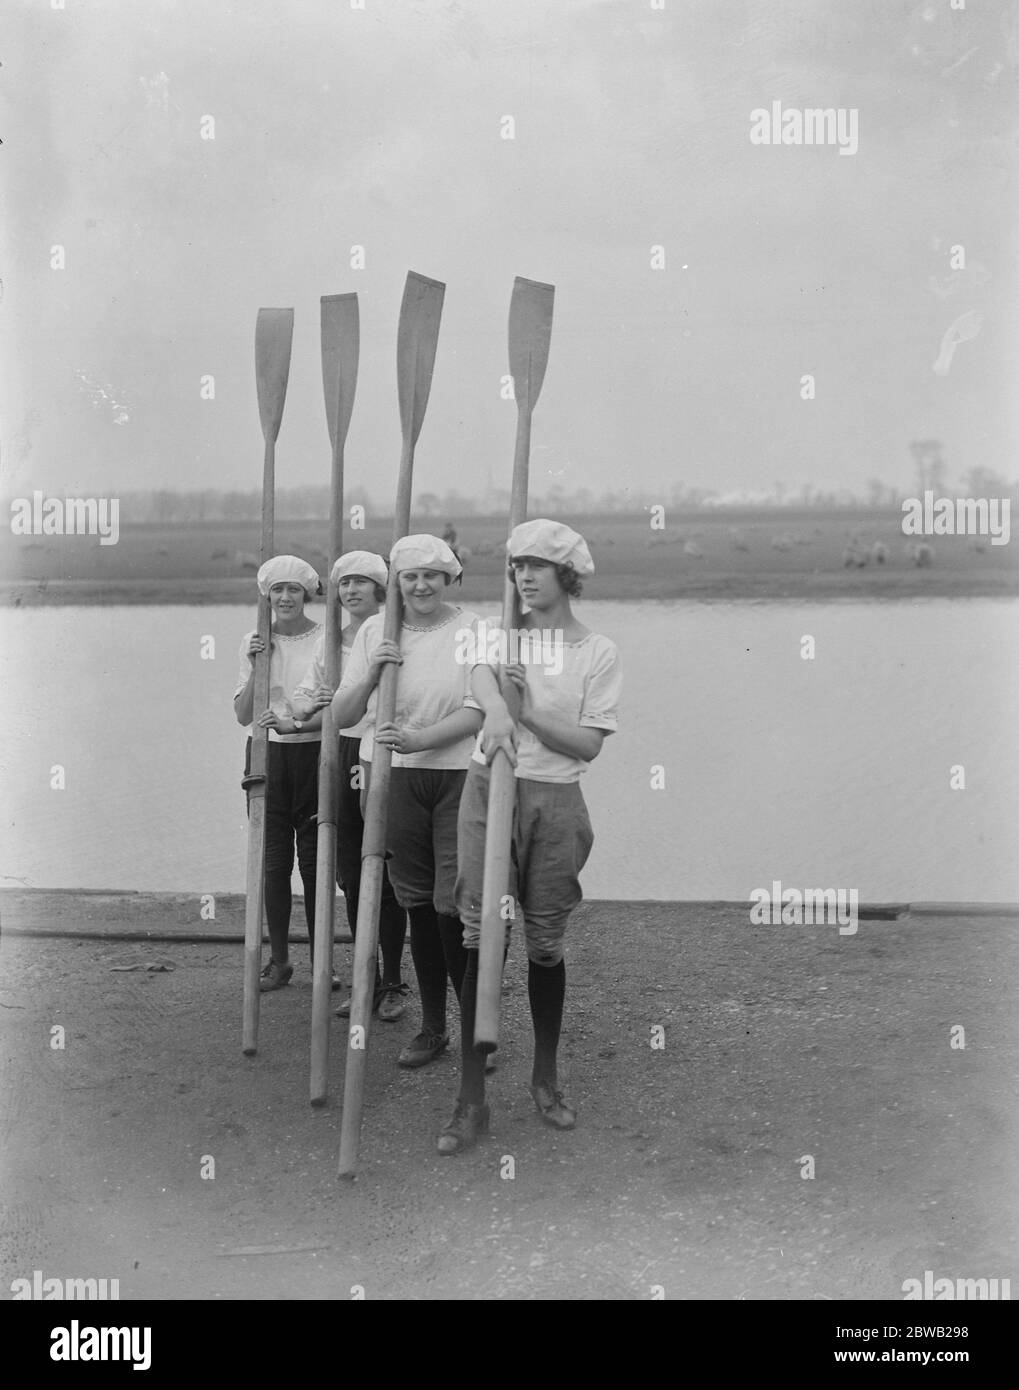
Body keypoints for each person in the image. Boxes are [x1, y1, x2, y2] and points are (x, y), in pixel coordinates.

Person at [436, 519, 622, 1154]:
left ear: (566, 575)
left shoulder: (596, 652)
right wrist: (494, 707)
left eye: (537, 567)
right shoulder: (499, 636)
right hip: (490, 791)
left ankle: (544, 1078)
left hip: (555, 801)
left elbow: (589, 745)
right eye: (517, 567)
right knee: (480, 934)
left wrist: (530, 715)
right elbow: (481, 679)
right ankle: (470, 1100)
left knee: (544, 942)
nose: (524, 577)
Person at [331, 535, 483, 1068]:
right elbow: (344, 716)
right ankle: (434, 1026)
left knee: (454, 905)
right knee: (416, 900)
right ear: (395, 583)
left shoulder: (475, 630)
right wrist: (374, 670)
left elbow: (478, 709)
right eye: (410, 576)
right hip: (389, 775)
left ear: (450, 580)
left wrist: (419, 740)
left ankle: (476, 1032)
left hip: (456, 773)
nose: (421, 586)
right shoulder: (377, 629)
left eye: (432, 576)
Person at [292, 551, 409, 1020]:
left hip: (383, 750)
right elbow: (302, 702)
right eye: (344, 584)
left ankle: (396, 981)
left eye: (362, 582)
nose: (351, 591)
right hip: (339, 752)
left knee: (385, 867)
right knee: (350, 871)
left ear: (382, 589)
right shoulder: (330, 643)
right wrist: (310, 704)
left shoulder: (394, 632)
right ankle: (368, 979)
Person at [234, 555, 323, 992]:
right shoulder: (256, 640)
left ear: (306, 594)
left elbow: (332, 703)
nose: (285, 597)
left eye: (293, 590)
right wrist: (256, 666)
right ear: (267, 596)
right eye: (277, 590)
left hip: (313, 753)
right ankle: (280, 961)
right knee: (273, 862)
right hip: (266, 754)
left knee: (314, 861)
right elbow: (241, 715)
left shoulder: (326, 638)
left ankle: (321, 962)